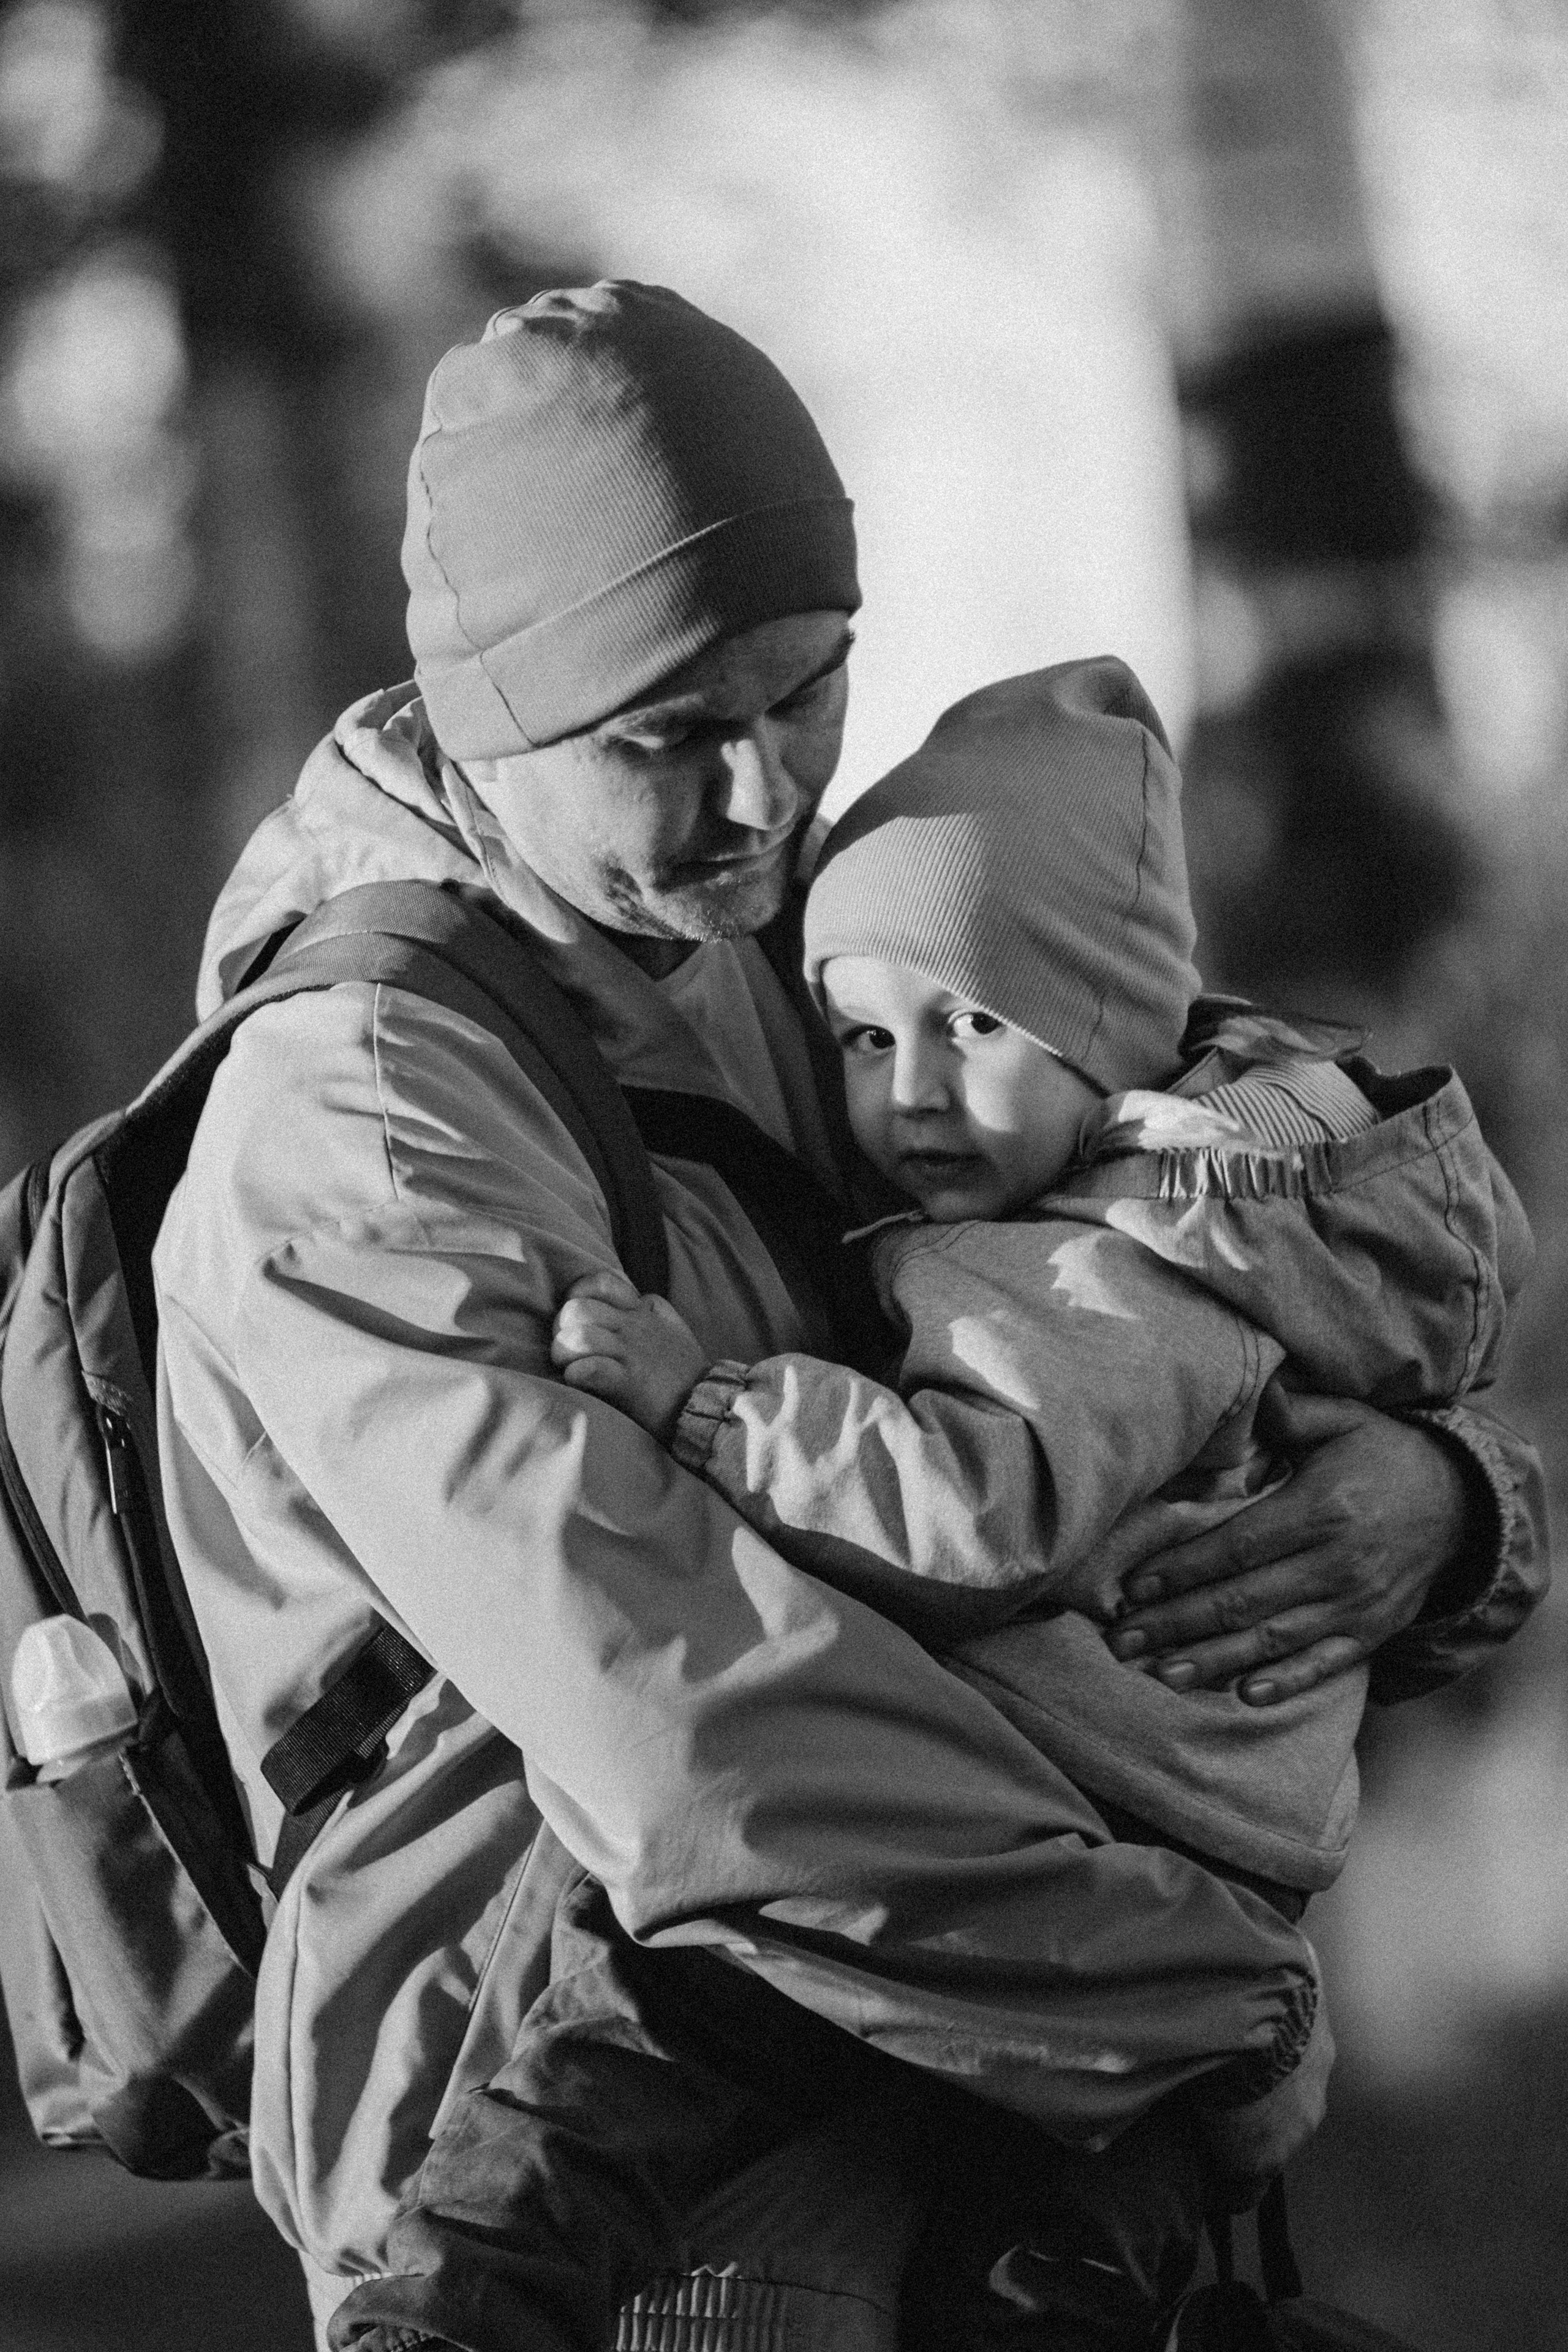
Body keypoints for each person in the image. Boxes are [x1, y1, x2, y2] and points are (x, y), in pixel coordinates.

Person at [150, 284, 1546, 2352]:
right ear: (489, 715)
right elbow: (693, 1715)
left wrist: (1438, 1510)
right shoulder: (365, 1117)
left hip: (948, 2077)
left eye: (809, 698)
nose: (762, 794)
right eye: (665, 737)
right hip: (605, 2196)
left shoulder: (790, 953)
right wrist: (1188, 1985)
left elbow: (1195, 1254)